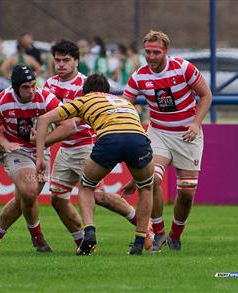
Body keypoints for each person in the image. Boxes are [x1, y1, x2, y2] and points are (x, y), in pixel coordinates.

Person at [43, 40, 152, 249]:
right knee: (57, 198)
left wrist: (43, 140)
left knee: (97, 195)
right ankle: (84, 241)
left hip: (86, 144)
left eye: (66, 60)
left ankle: (143, 227)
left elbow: (72, 123)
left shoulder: (88, 87)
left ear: (77, 61)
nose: (61, 65)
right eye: (57, 60)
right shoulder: (50, 84)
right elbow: (46, 113)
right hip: (65, 148)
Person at [121, 30, 212, 252]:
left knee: (187, 193)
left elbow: (206, 96)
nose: (150, 57)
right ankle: (159, 233)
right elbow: (124, 103)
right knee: (152, 180)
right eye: (147, 52)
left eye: (155, 52)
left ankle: (175, 235)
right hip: (158, 133)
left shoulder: (183, 67)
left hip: (187, 135)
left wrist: (196, 123)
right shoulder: (139, 76)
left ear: (165, 52)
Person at [0, 65, 76, 253]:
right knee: (30, 191)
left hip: (41, 151)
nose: (31, 90)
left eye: (33, 85)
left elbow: (69, 126)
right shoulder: (2, 100)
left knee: (25, 197)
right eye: (26, 87)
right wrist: (5, 143)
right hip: (15, 150)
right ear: (15, 88)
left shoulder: (46, 98)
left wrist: (42, 141)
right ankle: (38, 238)